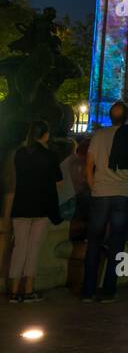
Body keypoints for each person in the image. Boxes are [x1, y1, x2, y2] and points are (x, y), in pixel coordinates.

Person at [81, 100, 128, 303]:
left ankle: (87, 291)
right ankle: (111, 287)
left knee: (94, 243)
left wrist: (94, 187)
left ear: (110, 116)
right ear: (126, 117)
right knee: (118, 244)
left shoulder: (98, 135)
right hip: (123, 194)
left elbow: (88, 166)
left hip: (101, 193)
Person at [3, 120, 62, 303]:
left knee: (19, 247)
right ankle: (28, 289)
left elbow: (12, 184)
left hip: (21, 206)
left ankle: (13, 291)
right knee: (33, 249)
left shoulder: (18, 154)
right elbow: (58, 182)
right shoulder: (50, 156)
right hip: (41, 206)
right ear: (45, 135)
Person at [57, 137, 88, 221]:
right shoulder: (76, 162)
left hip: (61, 200)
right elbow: (78, 182)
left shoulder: (68, 161)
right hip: (66, 201)